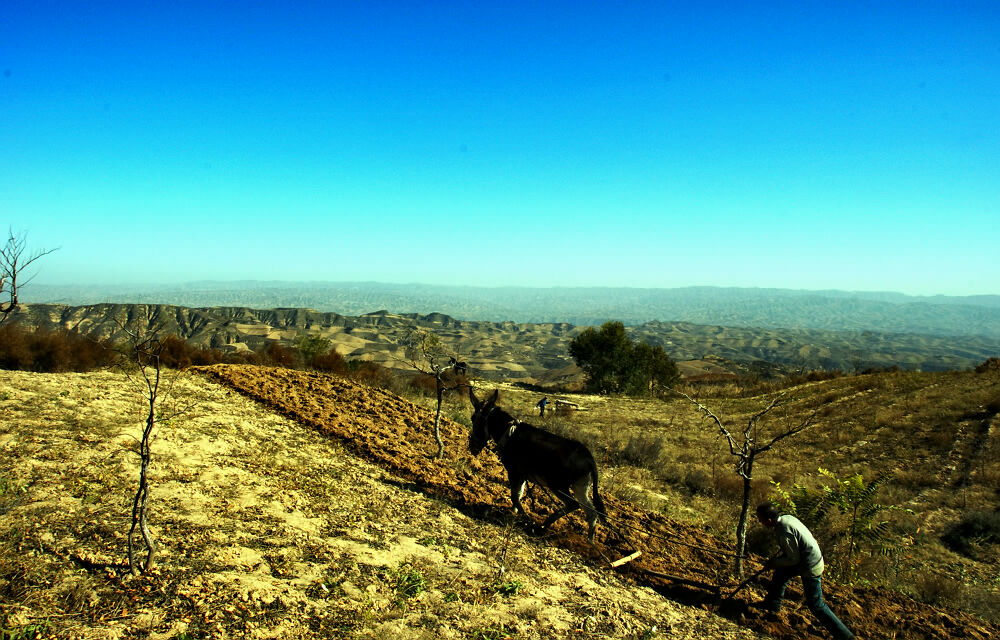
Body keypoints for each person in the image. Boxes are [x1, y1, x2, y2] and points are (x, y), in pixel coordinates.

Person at [754, 502, 855, 640]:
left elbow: (793, 560)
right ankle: (772, 605)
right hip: (810, 558)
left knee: (816, 605)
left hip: (810, 565)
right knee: (781, 574)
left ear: (769, 520)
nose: (761, 522)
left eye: (761, 520)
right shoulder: (787, 518)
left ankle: (846, 636)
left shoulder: (784, 531)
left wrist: (773, 563)